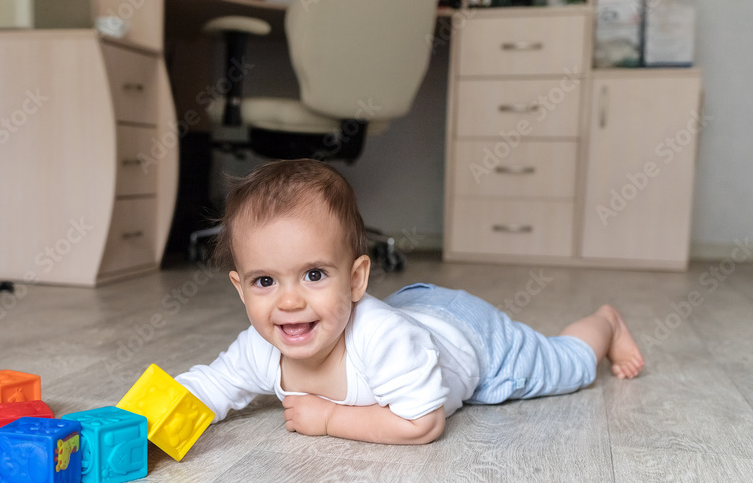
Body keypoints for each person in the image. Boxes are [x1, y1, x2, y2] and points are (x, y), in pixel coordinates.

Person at [175, 159, 644, 445]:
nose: (290, 301)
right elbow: (211, 386)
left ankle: (606, 323)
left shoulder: (382, 338)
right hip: (414, 313)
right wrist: (147, 420)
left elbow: (422, 422)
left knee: (566, 366)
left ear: (356, 279)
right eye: (264, 281)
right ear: (240, 288)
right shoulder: (260, 347)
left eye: (314, 275)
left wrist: (331, 418)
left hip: (471, 338)